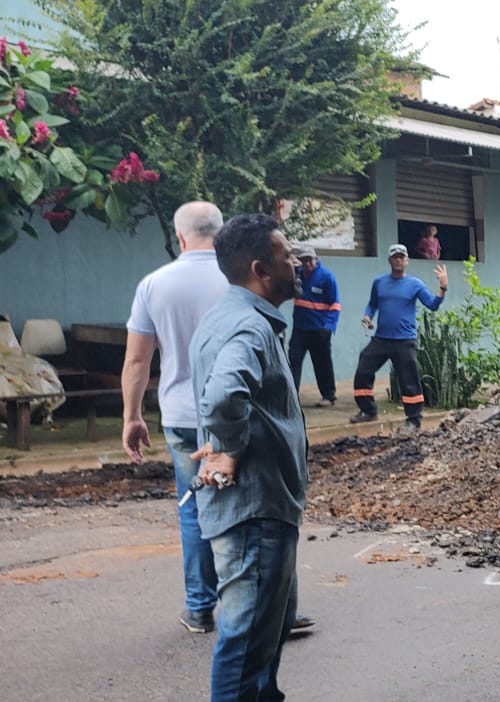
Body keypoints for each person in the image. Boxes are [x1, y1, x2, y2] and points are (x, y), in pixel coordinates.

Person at [189, 213, 309, 701]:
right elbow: (222, 397)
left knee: (262, 645)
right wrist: (231, 449)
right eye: (287, 257)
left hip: (262, 511)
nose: (296, 263)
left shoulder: (227, 317)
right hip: (255, 513)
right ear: (261, 269)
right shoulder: (249, 328)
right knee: (245, 649)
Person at [120, 201, 231, 634]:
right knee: (250, 505)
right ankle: (265, 603)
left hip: (183, 416)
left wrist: (132, 416)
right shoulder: (239, 278)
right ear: (220, 234)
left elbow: (136, 361)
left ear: (179, 236)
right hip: (236, 413)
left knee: (194, 508)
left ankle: (200, 608)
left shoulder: (154, 285)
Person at [349, 243, 446, 434]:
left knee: (409, 381)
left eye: (402, 257)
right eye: (395, 257)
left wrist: (443, 287)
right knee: (364, 367)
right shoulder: (379, 282)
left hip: (404, 341)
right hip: (382, 339)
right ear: (390, 260)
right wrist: (368, 317)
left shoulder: (415, 284)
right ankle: (368, 410)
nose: (399, 260)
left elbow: (433, 305)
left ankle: (413, 421)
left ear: (407, 260)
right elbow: (372, 304)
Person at [288, 244, 340, 407]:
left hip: (320, 329)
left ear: (316, 259)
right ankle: (291, 396)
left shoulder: (326, 277)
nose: (307, 264)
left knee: (322, 363)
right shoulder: (298, 275)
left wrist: (329, 326)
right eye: (304, 261)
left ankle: (329, 396)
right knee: (293, 361)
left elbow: (335, 305)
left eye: (310, 260)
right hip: (300, 329)